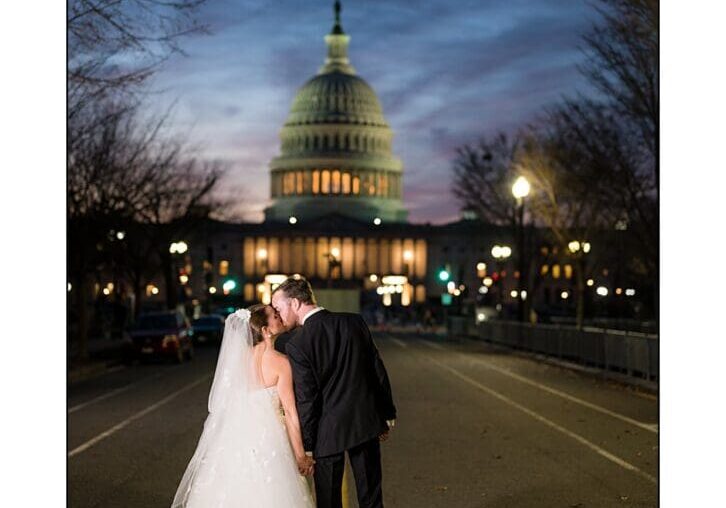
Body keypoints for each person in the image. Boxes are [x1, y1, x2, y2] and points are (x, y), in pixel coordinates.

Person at [171, 305, 315, 507]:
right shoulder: (281, 363)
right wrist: (301, 456)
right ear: (265, 330)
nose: (280, 317)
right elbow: (291, 413)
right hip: (271, 441)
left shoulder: (237, 361)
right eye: (275, 316)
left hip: (235, 439)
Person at [272, 277, 397, 508]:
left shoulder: (298, 344)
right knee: (371, 498)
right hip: (365, 422)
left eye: (279, 308)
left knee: (329, 501)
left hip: (327, 433)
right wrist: (386, 414)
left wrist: (307, 446)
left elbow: (307, 398)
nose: (277, 314)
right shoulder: (354, 322)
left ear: (296, 303)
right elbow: (376, 368)